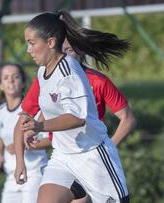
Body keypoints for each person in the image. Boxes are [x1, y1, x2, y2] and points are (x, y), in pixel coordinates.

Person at [14, 10, 132, 203]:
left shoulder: (68, 73)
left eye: (32, 43)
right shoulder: (43, 71)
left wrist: (40, 127)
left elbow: (77, 118)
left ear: (51, 42)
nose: (28, 50)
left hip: (92, 155)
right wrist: (28, 137)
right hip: (63, 156)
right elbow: (49, 106)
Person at [0, 63, 50, 203]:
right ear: (1, 85)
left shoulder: (34, 110)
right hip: (12, 175)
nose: (11, 80)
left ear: (23, 83)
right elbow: (2, 136)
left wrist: (21, 145)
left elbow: (50, 140)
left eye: (15, 77)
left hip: (34, 172)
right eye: (5, 77)